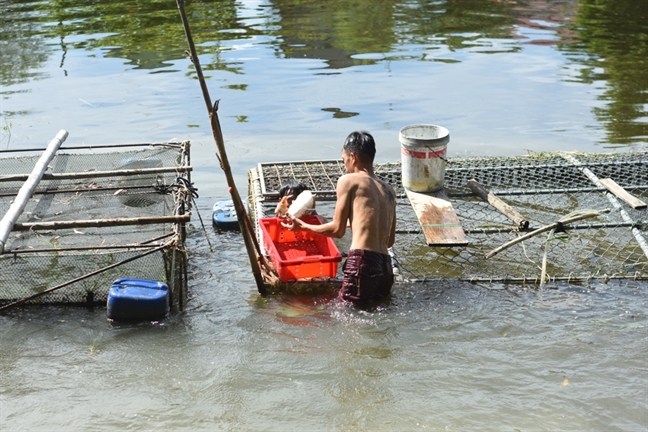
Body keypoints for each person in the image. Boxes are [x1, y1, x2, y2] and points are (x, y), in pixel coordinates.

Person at [282, 131, 397, 308]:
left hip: (363, 263)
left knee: (347, 318)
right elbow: (389, 241)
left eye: (344, 160)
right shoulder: (389, 190)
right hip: (385, 268)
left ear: (353, 156)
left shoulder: (348, 181)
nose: (345, 166)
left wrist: (302, 226)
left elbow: (337, 230)